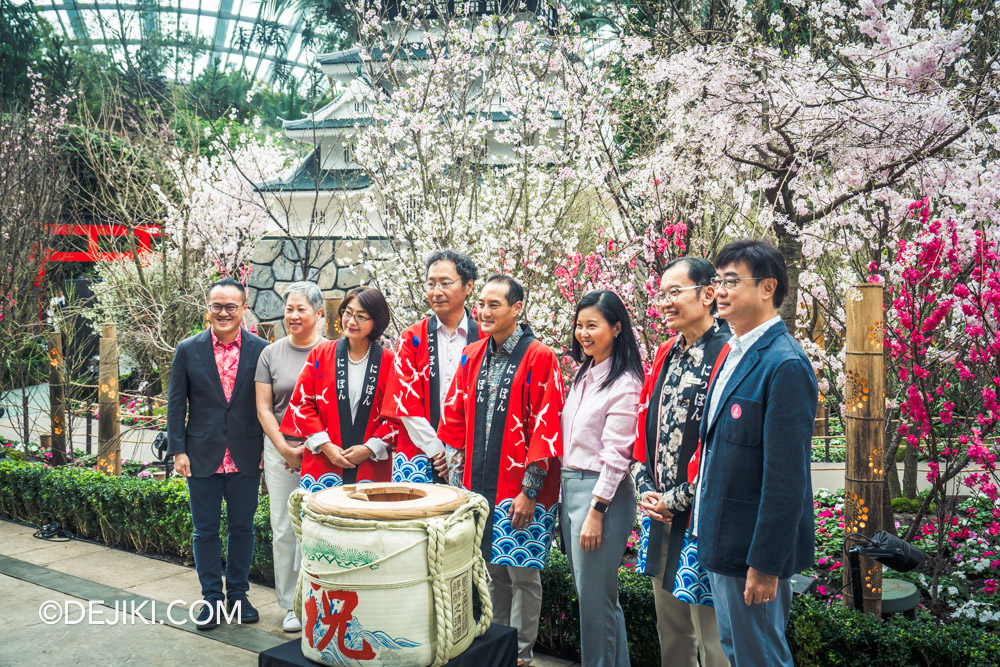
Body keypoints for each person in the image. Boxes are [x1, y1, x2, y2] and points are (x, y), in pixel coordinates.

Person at [696, 240, 818, 667]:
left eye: (732, 281)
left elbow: (786, 479)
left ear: (768, 288)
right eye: (718, 281)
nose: (720, 291)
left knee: (759, 656)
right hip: (723, 537)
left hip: (751, 549)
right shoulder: (732, 350)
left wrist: (765, 564)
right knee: (738, 650)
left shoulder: (785, 364)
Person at [437, 275, 563, 667]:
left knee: (523, 573)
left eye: (495, 304)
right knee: (490, 569)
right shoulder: (473, 353)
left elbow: (547, 426)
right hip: (478, 485)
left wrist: (530, 490)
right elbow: (454, 418)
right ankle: (499, 646)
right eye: (483, 304)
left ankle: (522, 653)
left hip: (521, 486)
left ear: (517, 308)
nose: (485, 311)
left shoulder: (540, 356)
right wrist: (454, 474)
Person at [633, 258, 730, 667]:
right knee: (670, 626)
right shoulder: (664, 353)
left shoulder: (728, 351)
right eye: (663, 294)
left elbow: (723, 445)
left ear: (708, 294)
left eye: (676, 292)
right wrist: (644, 487)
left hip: (702, 516)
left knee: (711, 634)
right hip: (659, 511)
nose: (665, 303)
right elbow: (643, 423)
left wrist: (676, 499)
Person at [166, 277, 268, 630]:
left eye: (231, 306)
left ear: (244, 309)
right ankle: (211, 598)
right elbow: (176, 404)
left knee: (243, 528)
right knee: (204, 530)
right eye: (217, 306)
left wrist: (267, 447)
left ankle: (238, 596)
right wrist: (178, 449)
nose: (223, 313)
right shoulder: (188, 349)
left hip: (247, 454)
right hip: (200, 454)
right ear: (207, 308)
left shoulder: (260, 349)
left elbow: (268, 405)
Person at [560, 291, 643, 667]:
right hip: (570, 487)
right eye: (580, 325)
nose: (583, 333)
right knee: (597, 600)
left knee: (596, 603)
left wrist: (596, 510)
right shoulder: (585, 374)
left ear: (617, 327)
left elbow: (617, 456)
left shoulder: (625, 383)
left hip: (600, 496)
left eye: (592, 325)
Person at [255, 281, 326, 633]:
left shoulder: (332, 352)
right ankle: (291, 604)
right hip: (281, 447)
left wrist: (316, 447)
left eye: (301, 309)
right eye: (289, 310)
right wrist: (284, 447)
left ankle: (320, 599)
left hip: (323, 450)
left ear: (318, 313)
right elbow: (264, 409)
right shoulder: (271, 353)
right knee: (284, 527)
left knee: (318, 527)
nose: (293, 316)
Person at [280, 286, 398, 490]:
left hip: (370, 465)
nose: (351, 322)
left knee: (368, 520)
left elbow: (397, 415)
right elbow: (302, 403)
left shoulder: (390, 362)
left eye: (361, 316)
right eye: (348, 313)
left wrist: (370, 448)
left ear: (376, 321)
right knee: (323, 520)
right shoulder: (321, 354)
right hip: (324, 462)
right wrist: (326, 447)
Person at [383, 250, 481, 484]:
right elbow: (404, 400)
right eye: (431, 284)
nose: (437, 292)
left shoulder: (486, 337)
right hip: (418, 451)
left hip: (471, 453)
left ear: (468, 286)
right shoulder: (411, 336)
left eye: (445, 283)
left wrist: (457, 450)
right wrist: (437, 450)